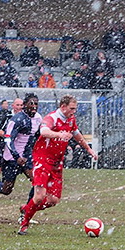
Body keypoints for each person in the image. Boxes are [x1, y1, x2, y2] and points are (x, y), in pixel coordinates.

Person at [17, 95, 98, 235]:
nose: (74, 111)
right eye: (72, 108)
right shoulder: (52, 117)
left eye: (75, 108)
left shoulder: (71, 119)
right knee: (40, 196)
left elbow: (77, 134)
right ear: (63, 107)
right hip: (42, 159)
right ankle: (24, 224)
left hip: (57, 161)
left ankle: (27, 208)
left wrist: (89, 149)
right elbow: (44, 131)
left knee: (53, 200)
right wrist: (59, 134)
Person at [0, 94, 42, 200]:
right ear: (25, 105)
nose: (34, 106)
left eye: (36, 104)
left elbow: (38, 136)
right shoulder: (16, 120)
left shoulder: (38, 118)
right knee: (6, 190)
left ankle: (27, 211)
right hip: (11, 157)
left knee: (37, 182)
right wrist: (16, 156)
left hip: (26, 156)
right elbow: (8, 139)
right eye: (31, 104)